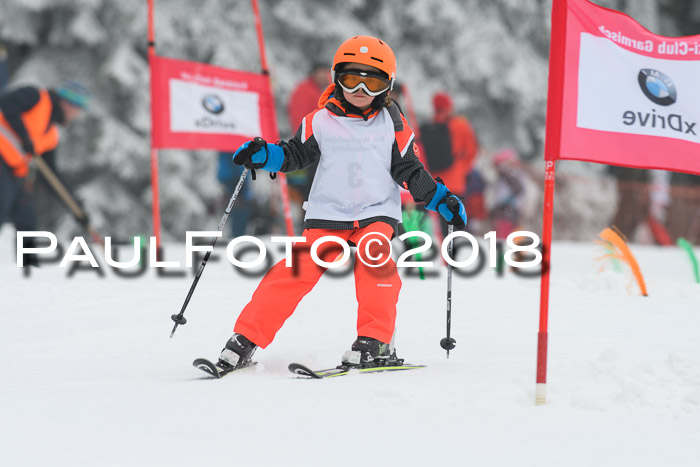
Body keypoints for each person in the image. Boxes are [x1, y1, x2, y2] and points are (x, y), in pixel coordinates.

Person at [217, 36, 467, 370]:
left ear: (387, 86)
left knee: (375, 259)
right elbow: (295, 155)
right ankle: (244, 339)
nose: (361, 88)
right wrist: (266, 155)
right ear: (337, 78)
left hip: (376, 211)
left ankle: (375, 341)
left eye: (373, 80)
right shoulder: (318, 121)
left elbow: (409, 170)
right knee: (295, 271)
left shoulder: (394, 125)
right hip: (328, 213)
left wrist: (439, 198)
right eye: (352, 78)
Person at [0, 81, 90, 265]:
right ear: (67, 103)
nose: (75, 116)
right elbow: (6, 103)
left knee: (27, 219)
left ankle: (29, 270)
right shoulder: (36, 96)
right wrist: (24, 137)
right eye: (76, 110)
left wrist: (74, 207)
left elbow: (51, 176)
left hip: (14, 172)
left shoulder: (51, 136)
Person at [285, 62, 332, 219]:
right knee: (310, 190)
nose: (323, 75)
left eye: (326, 72)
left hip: (330, 147)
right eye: (321, 71)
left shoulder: (329, 90)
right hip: (311, 146)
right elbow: (299, 118)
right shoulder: (304, 90)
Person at [490, 148, 527, 239]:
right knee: (510, 227)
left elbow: (519, 189)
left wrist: (509, 200)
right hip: (511, 206)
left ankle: (505, 245)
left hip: (507, 206)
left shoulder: (509, 174)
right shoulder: (514, 174)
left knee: (505, 229)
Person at [217, 152, 253, 238]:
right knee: (239, 210)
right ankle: (237, 236)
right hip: (235, 179)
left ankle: (237, 236)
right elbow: (235, 160)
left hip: (230, 178)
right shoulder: (234, 143)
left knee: (237, 210)